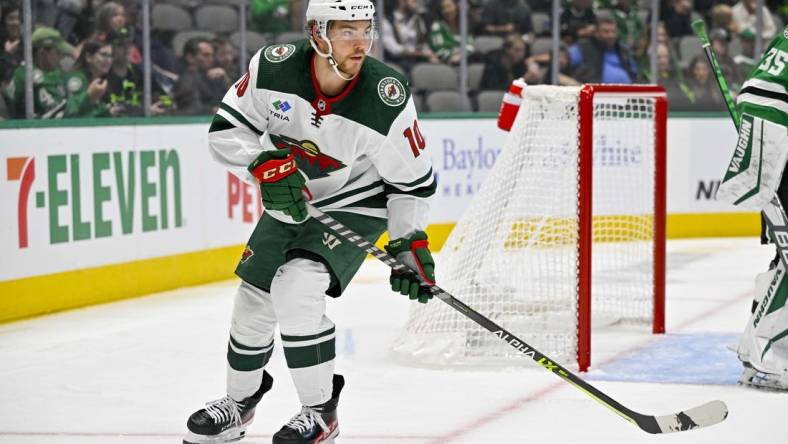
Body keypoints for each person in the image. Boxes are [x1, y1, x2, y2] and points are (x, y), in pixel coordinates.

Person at [183, 0, 436, 442]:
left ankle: (321, 413)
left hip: (358, 196)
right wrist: (260, 164)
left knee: (297, 287)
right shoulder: (273, 69)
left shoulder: (384, 96)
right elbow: (226, 131)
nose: (361, 43)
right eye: (346, 31)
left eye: (366, 30)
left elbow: (411, 184)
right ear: (318, 34)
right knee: (253, 299)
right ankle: (239, 403)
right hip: (293, 195)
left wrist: (407, 242)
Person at [715, 25, 788, 391]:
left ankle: (754, 347)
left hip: (771, 155)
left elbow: (754, 95)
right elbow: (762, 98)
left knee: (785, 260)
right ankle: (771, 359)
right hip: (777, 157)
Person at [7, 26, 74, 118]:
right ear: (42, 53)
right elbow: (9, 107)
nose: (61, 57)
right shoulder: (24, 75)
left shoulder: (60, 73)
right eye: (58, 52)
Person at [567, 11, 637, 84]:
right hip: (595, 92)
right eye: (606, 32)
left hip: (626, 92)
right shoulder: (583, 47)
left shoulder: (623, 50)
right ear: (596, 32)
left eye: (614, 31)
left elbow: (634, 73)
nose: (611, 35)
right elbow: (563, 64)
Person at [172, 37, 228, 115]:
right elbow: (190, 109)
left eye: (212, 55)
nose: (211, 59)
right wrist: (213, 110)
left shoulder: (213, 78)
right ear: (190, 58)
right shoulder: (186, 81)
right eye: (206, 55)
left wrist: (226, 79)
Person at [381, 0, 439, 73]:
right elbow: (395, 50)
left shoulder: (418, 19)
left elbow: (422, 44)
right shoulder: (387, 21)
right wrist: (420, 54)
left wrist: (431, 55)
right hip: (396, 64)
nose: (417, 2)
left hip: (417, 62)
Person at [63, 39, 115, 117]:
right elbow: (72, 114)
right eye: (104, 55)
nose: (108, 60)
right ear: (88, 57)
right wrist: (89, 97)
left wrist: (108, 112)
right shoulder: (76, 79)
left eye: (111, 56)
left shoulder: (103, 81)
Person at [428, 0, 475, 65]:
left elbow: (470, 46)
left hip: (465, 62)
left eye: (449, 6)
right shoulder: (437, 27)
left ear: (456, 7)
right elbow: (439, 50)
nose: (446, 11)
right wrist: (453, 56)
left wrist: (460, 56)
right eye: (443, 8)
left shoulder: (464, 25)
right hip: (445, 64)